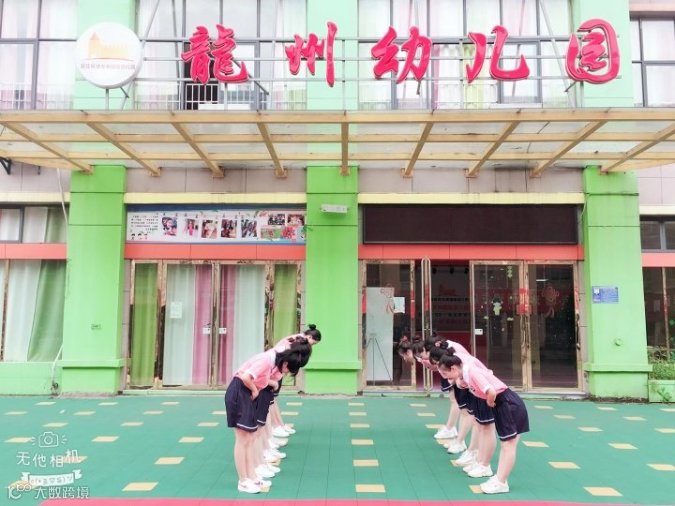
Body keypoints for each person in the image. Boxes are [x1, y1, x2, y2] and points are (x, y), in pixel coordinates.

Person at [438, 350, 530, 494]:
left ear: (454, 368)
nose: (447, 379)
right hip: (502, 404)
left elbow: (491, 391)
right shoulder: (465, 373)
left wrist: (490, 402)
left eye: (446, 374)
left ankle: (501, 482)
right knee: (506, 444)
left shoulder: (472, 372)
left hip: (507, 403)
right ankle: (499, 478)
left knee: (508, 445)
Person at [224, 347, 306, 494]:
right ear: (285, 363)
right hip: (239, 392)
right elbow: (245, 377)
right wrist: (255, 390)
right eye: (288, 370)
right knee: (243, 439)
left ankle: (252, 476)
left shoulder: (271, 361)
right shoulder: (266, 361)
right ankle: (243, 481)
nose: (285, 373)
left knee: (250, 437)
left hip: (245, 392)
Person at [268, 324, 322, 438]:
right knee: (270, 399)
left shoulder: (299, 339)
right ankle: (274, 426)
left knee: (273, 399)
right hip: (274, 368)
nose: (312, 346)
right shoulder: (298, 341)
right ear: (309, 337)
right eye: (314, 343)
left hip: (278, 369)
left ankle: (279, 425)